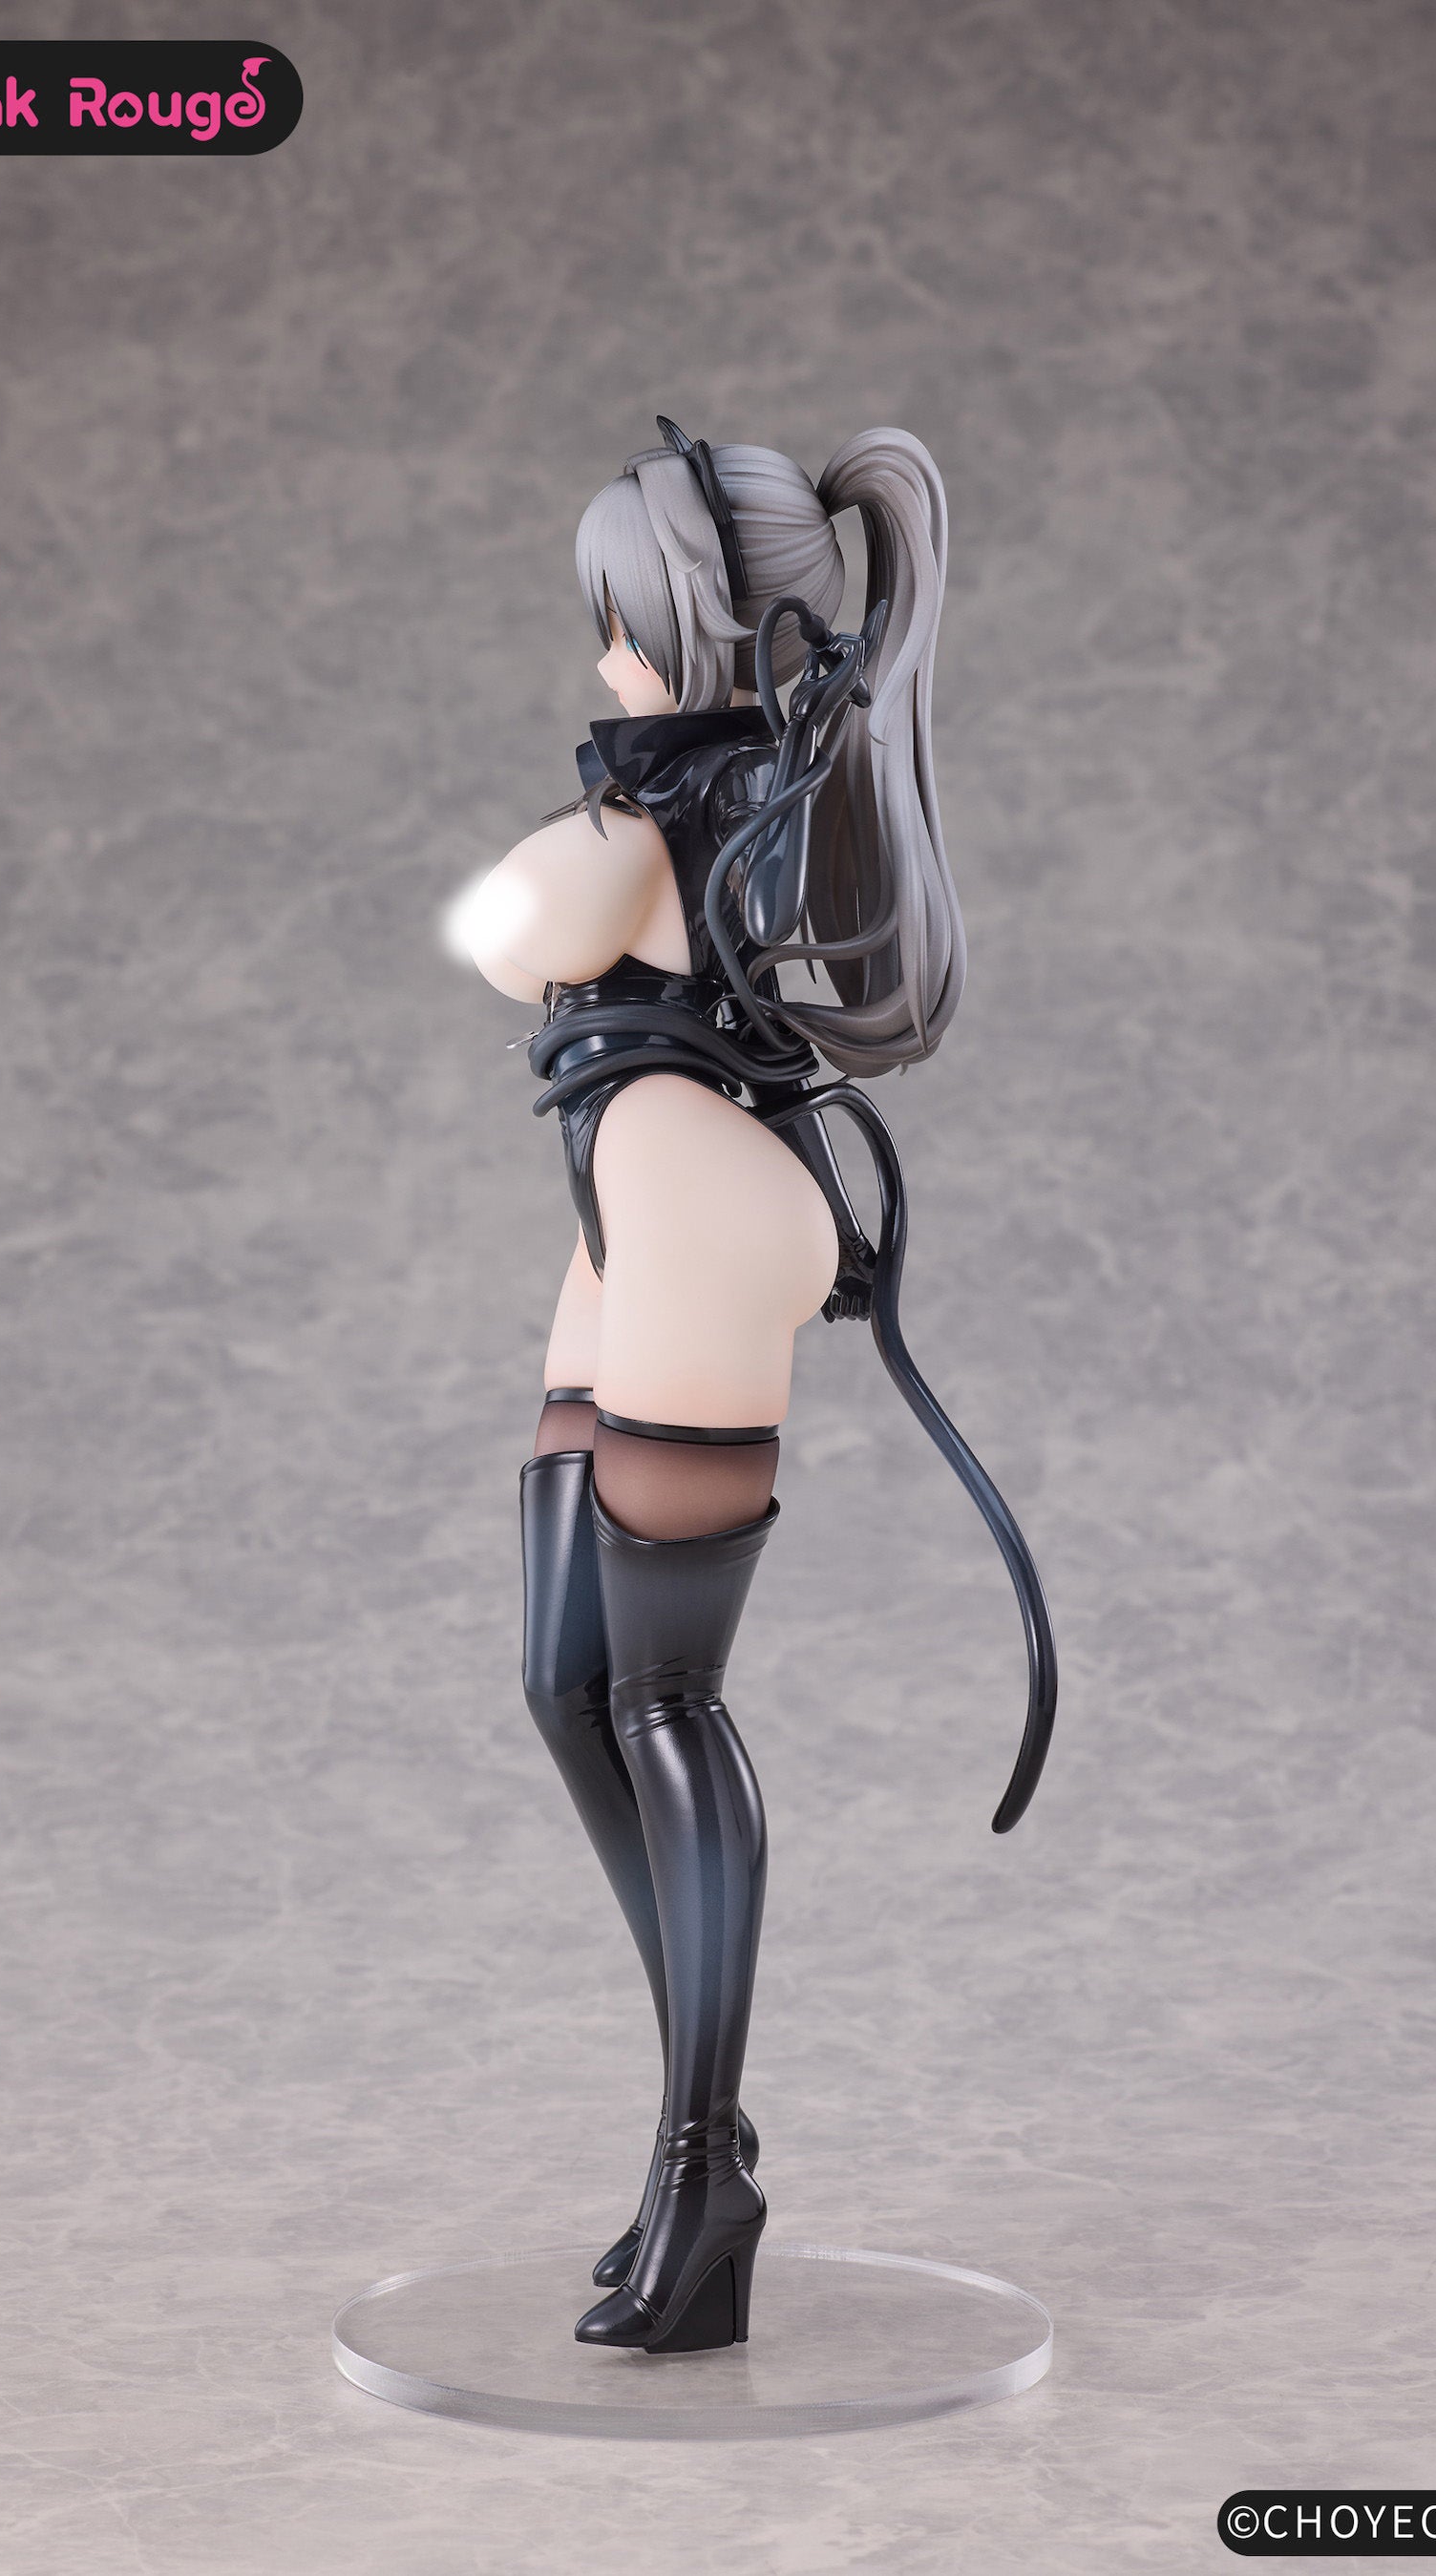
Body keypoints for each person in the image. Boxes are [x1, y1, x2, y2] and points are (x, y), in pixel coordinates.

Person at [455, 420, 1015, 2355]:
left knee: (661, 1693)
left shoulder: (672, 808)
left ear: (680, 620)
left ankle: (704, 2166)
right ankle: (698, 2125)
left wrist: (587, 839)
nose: (601, 653)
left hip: (695, 1211)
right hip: (641, 1206)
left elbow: (503, 933)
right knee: (565, 1677)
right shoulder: (750, 783)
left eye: (617, 617)